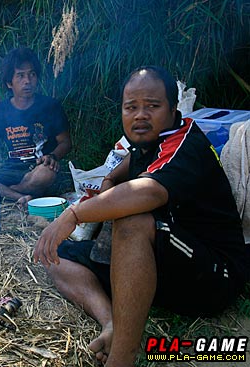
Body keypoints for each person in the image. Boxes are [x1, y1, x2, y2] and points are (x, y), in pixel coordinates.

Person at [33, 66, 249, 366]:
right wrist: (108, 183)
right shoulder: (146, 145)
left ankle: (121, 357)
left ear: (174, 109)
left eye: (152, 106)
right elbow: (122, 171)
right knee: (58, 258)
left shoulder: (184, 144)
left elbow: (148, 192)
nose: (140, 115)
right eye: (131, 107)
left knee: (133, 220)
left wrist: (74, 214)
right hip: (160, 268)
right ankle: (112, 324)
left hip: (212, 275)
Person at [0, 47, 72, 204]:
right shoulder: (0, 110)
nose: (27, 81)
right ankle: (18, 196)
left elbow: (65, 142)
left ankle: (1, 191)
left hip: (36, 169)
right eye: (20, 76)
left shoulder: (51, 106)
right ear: (9, 83)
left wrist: (52, 156)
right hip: (10, 170)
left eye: (32, 74)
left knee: (46, 175)